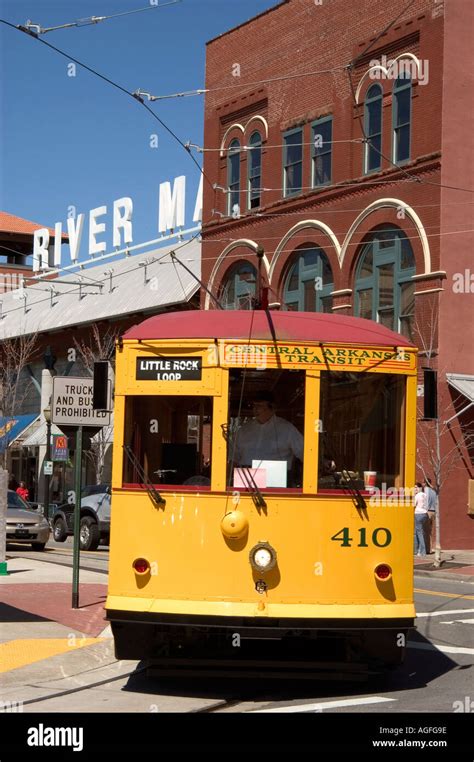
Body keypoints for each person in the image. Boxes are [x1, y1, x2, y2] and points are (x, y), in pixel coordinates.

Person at [233, 390, 304, 480]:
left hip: (276, 480)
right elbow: (233, 458)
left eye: (260, 406)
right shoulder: (244, 430)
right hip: (245, 480)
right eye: (254, 405)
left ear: (272, 407)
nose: (255, 409)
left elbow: (304, 452)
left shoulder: (287, 429)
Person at [414, 482, 429, 556]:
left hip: (418, 514)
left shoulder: (417, 495)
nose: (415, 489)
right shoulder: (425, 495)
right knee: (418, 532)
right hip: (425, 514)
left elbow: (413, 504)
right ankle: (416, 550)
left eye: (416, 487)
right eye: (414, 487)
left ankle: (422, 551)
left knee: (419, 533)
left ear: (420, 488)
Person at [423, 477, 438, 554]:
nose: (422, 484)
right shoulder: (434, 491)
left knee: (426, 531)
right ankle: (430, 548)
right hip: (434, 512)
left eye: (423, 482)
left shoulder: (426, 490)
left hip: (427, 512)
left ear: (426, 483)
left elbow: (425, 502)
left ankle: (427, 549)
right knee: (431, 532)